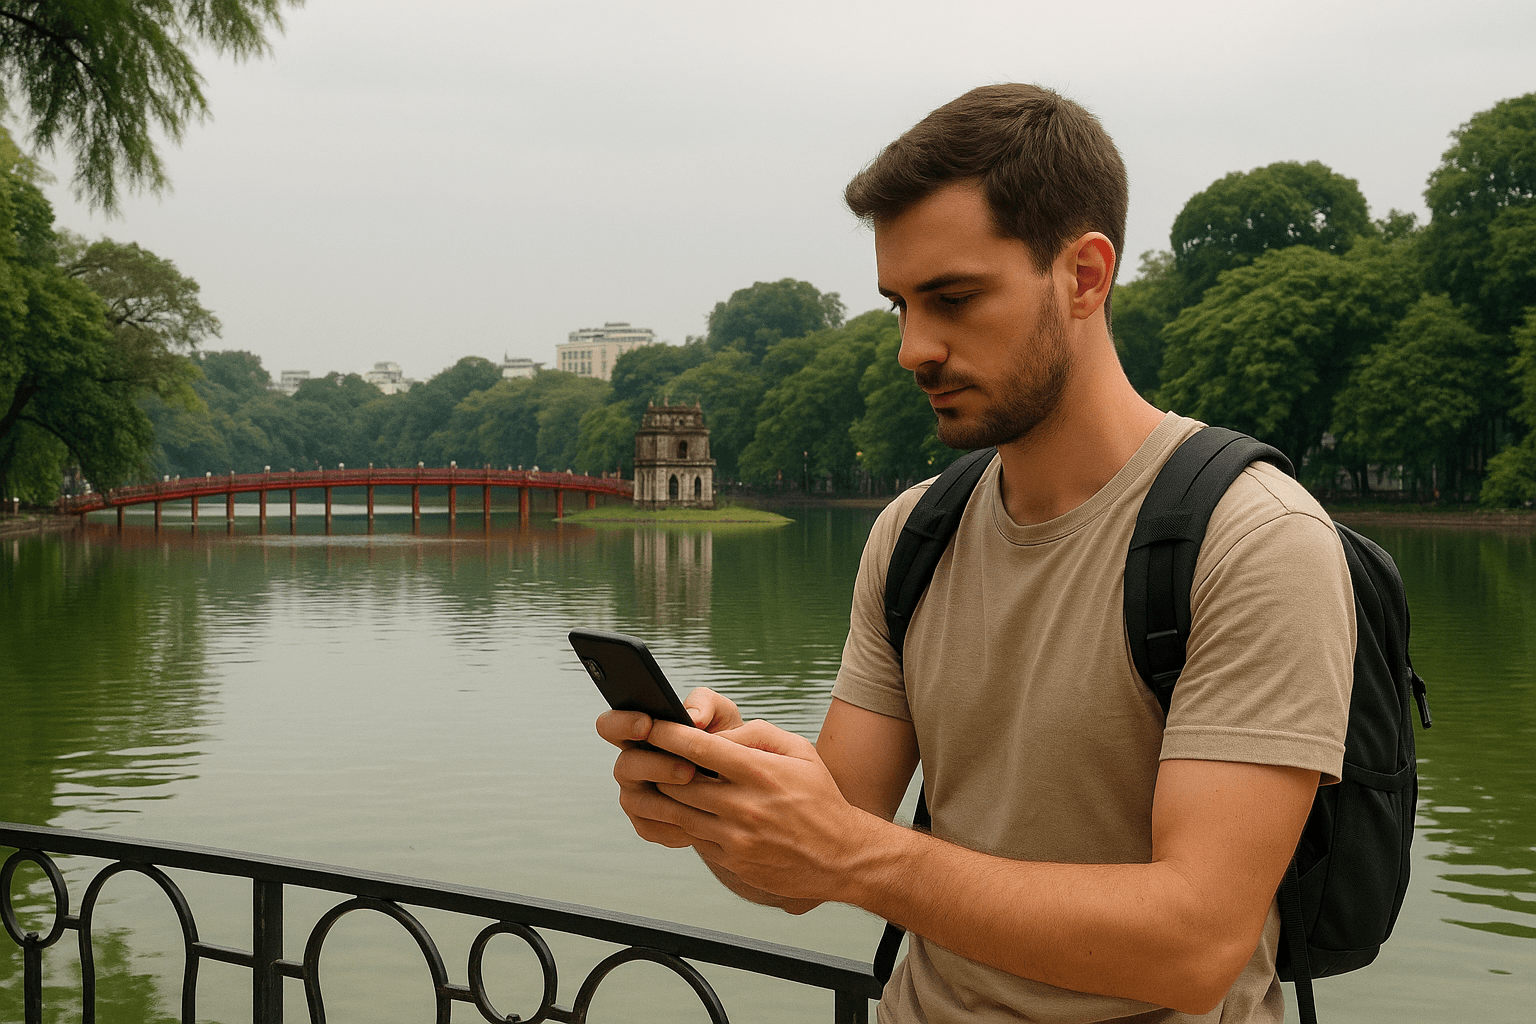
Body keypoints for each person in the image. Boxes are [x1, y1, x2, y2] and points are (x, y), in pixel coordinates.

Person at [596, 84, 1354, 1024]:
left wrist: (850, 852)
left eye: (953, 299)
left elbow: (1195, 947)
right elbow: (808, 872)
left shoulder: (1257, 541)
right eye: (900, 306)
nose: (914, 349)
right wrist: (722, 797)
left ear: (1084, 276)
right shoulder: (915, 532)